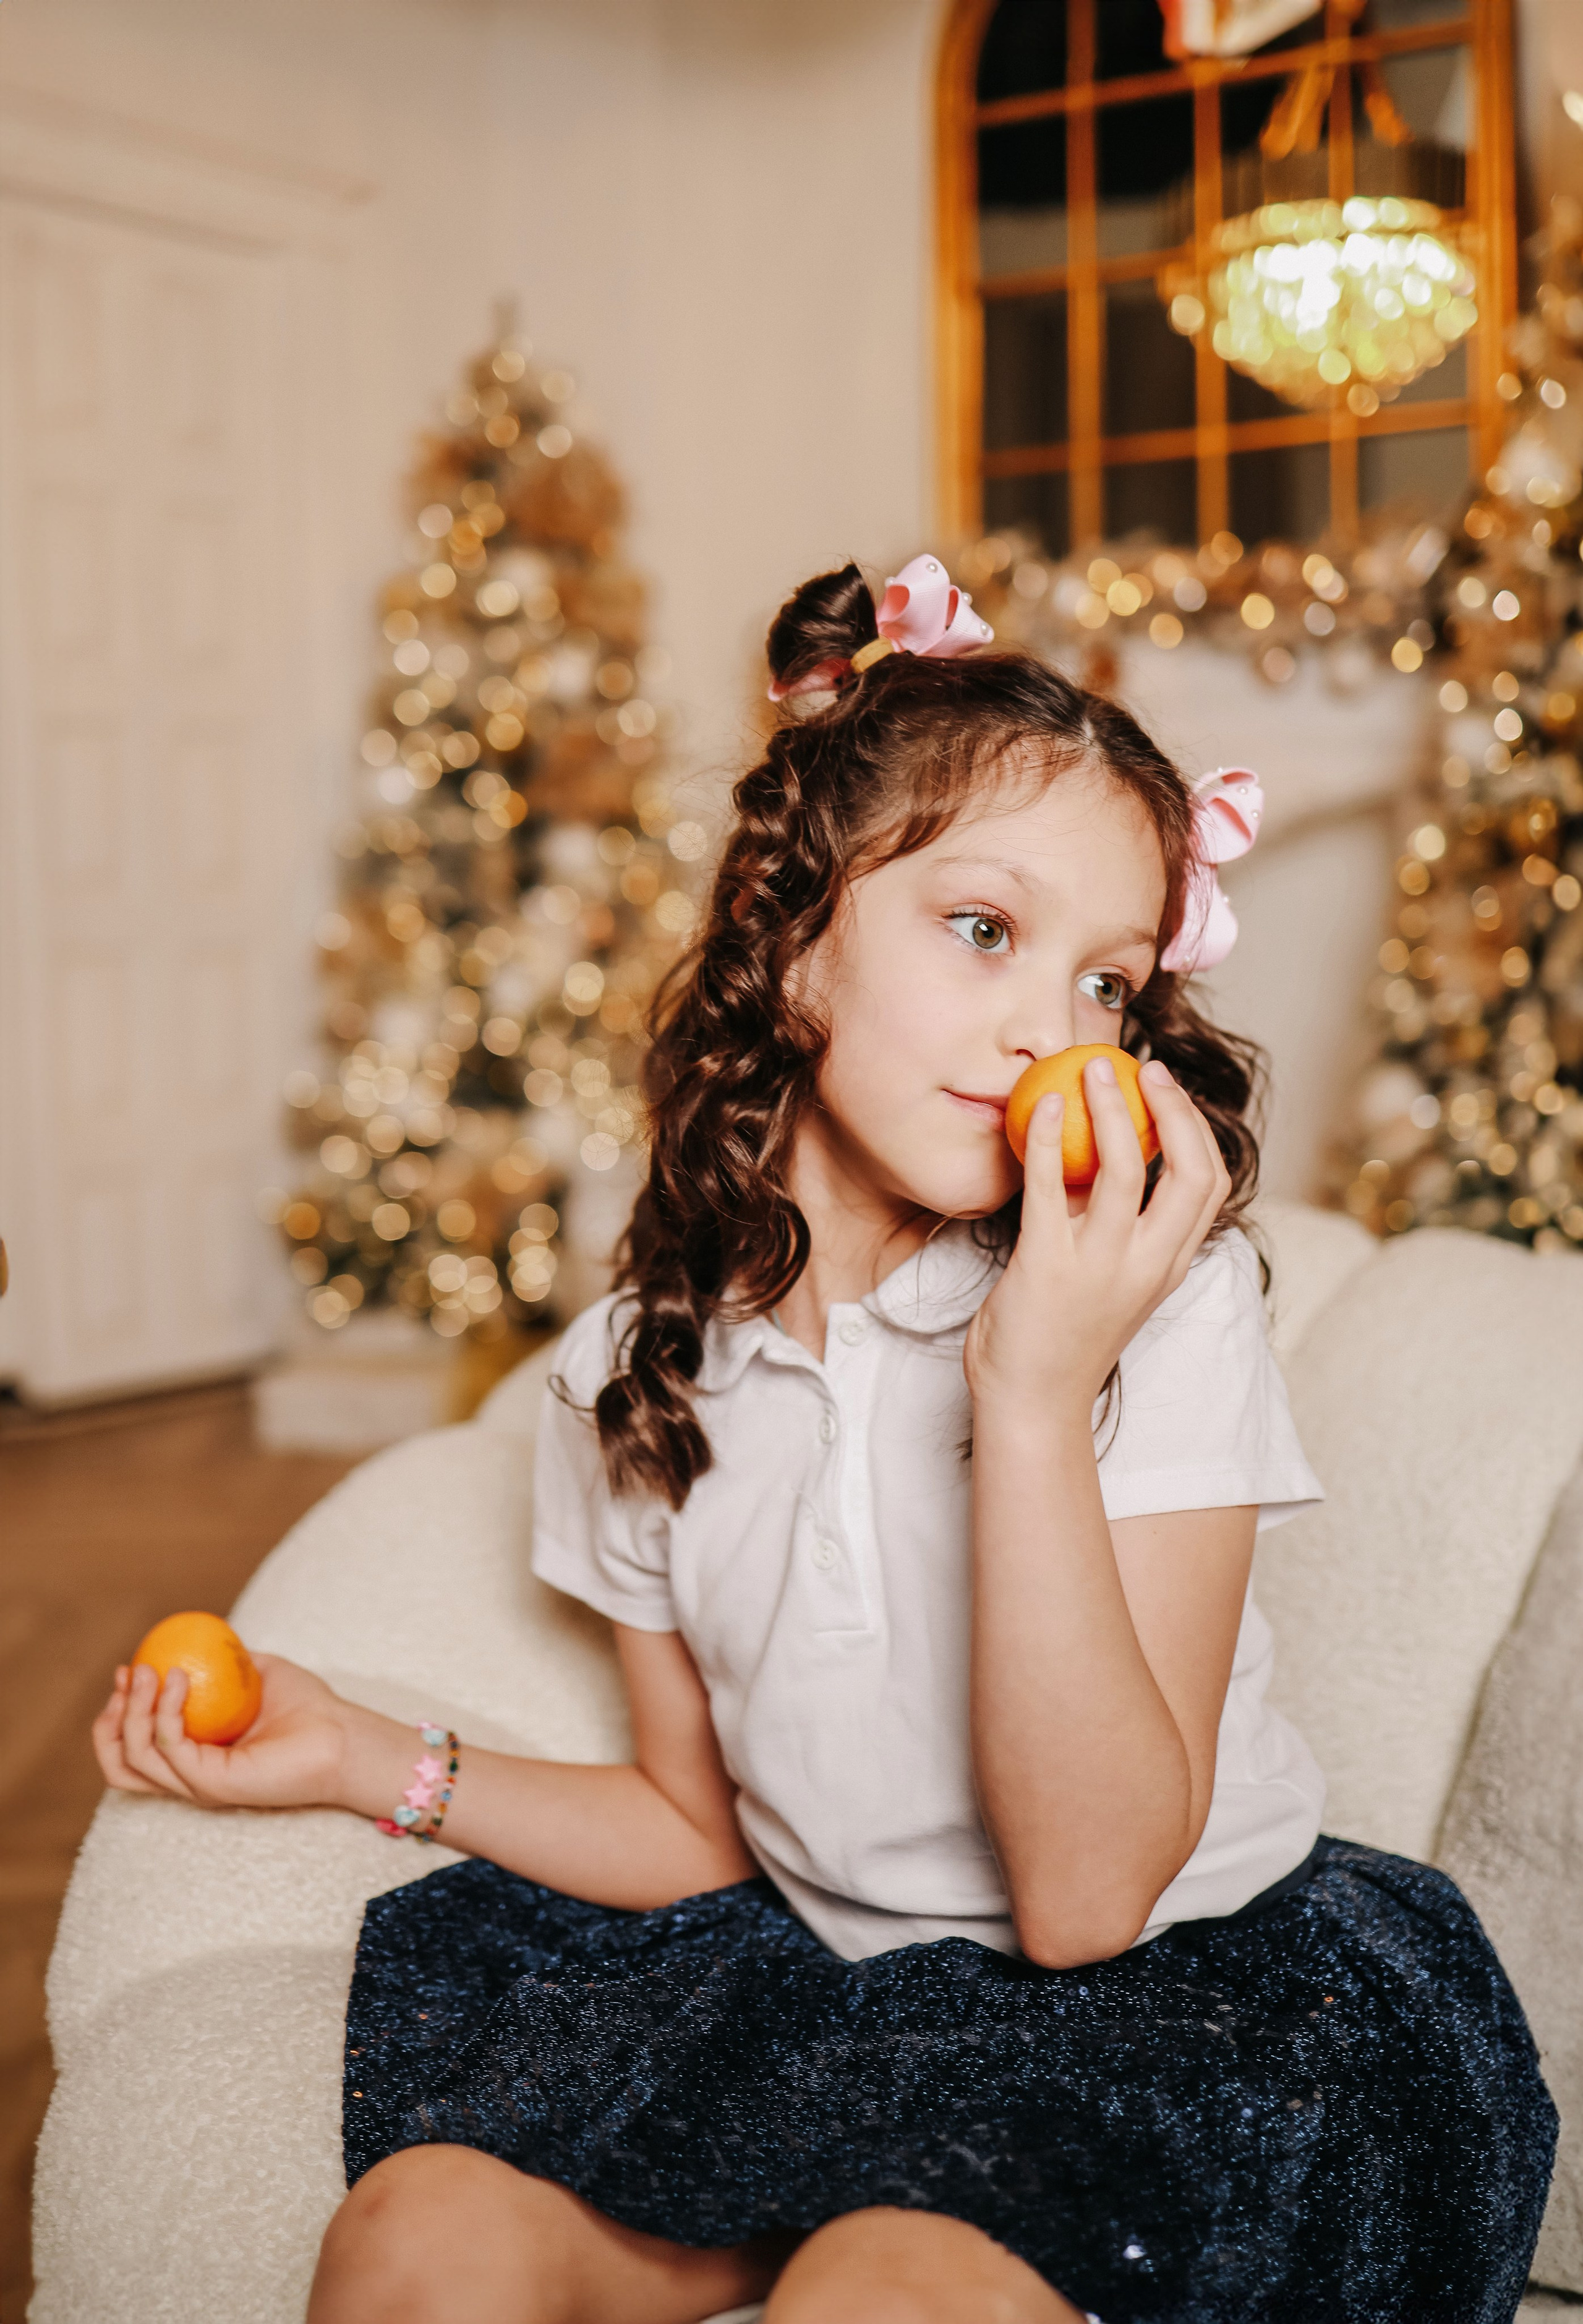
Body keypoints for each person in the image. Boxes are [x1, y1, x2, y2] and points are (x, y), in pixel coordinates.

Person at [95, 555, 1556, 2324]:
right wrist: (365, 1758)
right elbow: (695, 1831)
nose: (1052, 1029)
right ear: (792, 942)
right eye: (985, 930)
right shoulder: (636, 1378)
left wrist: (1030, 1387)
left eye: (1110, 981)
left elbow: (1091, 1893)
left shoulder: (1160, 1311)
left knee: (880, 2292)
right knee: (416, 2248)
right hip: (819, 1991)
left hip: (1169, 2004)